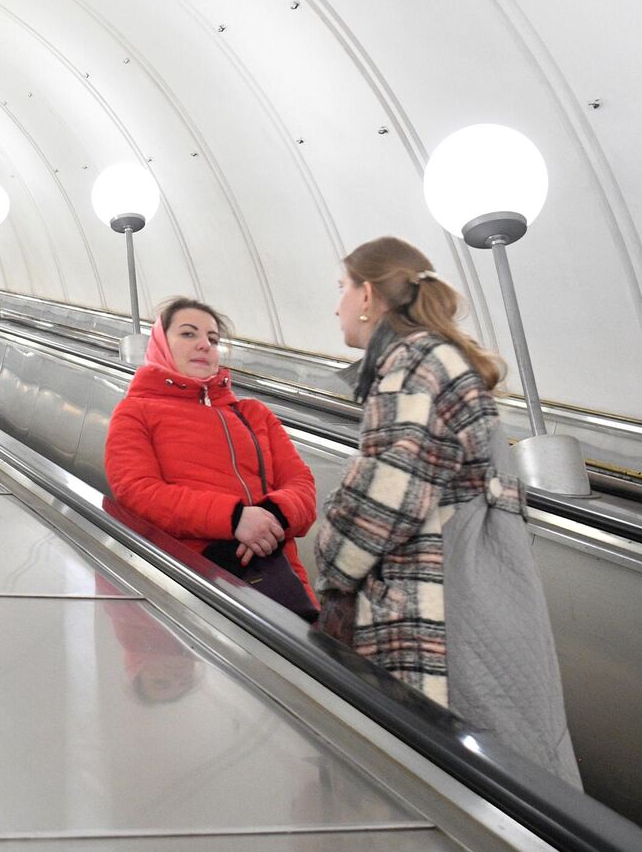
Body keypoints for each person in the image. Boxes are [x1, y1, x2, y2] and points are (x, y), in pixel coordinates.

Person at [314, 236, 580, 786]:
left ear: (368, 295)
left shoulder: (413, 367)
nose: (335, 303)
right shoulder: (433, 360)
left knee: (478, 774)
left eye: (341, 288)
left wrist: (329, 549)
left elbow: (380, 505)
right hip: (471, 586)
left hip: (446, 603)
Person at [104, 297, 319, 620]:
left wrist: (267, 517)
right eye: (188, 334)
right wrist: (234, 520)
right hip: (189, 586)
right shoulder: (135, 413)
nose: (204, 345)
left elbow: (302, 485)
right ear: (161, 343)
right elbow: (138, 493)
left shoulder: (254, 413)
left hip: (278, 581)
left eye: (213, 339)